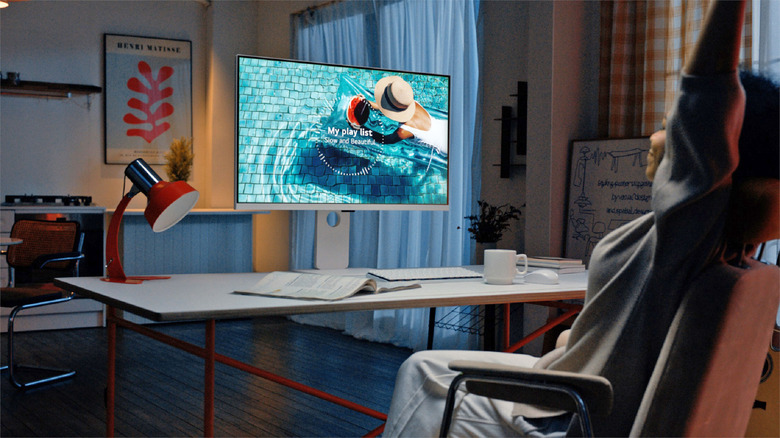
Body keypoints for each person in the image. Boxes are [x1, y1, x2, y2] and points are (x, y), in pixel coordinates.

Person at [383, 1, 780, 436]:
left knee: (422, 369)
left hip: (572, 417)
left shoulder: (686, 235)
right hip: (585, 395)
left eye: (671, 127)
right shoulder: (726, 254)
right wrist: (577, 341)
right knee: (436, 365)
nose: (654, 136)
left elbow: (707, 94)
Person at [346, 75, 448, 155]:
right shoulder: (410, 103)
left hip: (444, 146)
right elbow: (387, 108)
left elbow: (385, 140)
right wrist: (366, 102)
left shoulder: (404, 131)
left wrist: (361, 129)